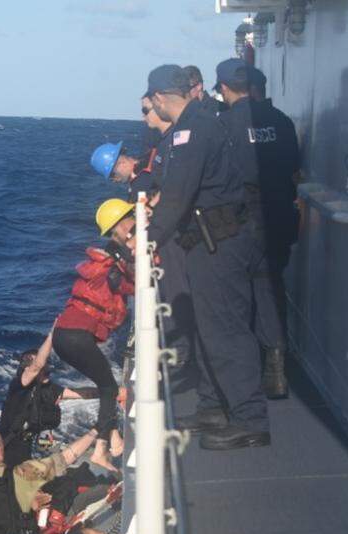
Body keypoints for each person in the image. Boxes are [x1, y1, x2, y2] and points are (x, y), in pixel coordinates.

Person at [144, 63, 271, 450]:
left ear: (161, 98)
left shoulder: (192, 130)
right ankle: (213, 406)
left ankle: (250, 419)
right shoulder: (198, 122)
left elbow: (178, 195)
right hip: (205, 242)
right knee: (208, 328)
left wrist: (146, 239)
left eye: (151, 101)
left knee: (227, 329)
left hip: (219, 243)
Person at [52, 198, 136, 471]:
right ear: (121, 226)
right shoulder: (113, 266)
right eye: (131, 218)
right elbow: (123, 283)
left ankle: (114, 439)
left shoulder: (104, 262)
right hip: (76, 337)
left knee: (106, 387)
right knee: (109, 388)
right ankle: (102, 449)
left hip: (64, 337)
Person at [243, 64, 301, 398]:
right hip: (281, 217)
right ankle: (277, 363)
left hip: (249, 221)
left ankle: (267, 365)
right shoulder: (283, 123)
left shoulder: (236, 124)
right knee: (273, 286)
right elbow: (293, 166)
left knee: (250, 292)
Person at [0, 331, 99, 466]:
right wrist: (52, 336)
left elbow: (81, 394)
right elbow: (36, 367)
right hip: (7, 450)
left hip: (26, 448)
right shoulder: (19, 386)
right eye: (42, 368)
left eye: (47, 367)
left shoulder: (47, 388)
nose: (47, 371)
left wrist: (109, 391)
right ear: (27, 369)